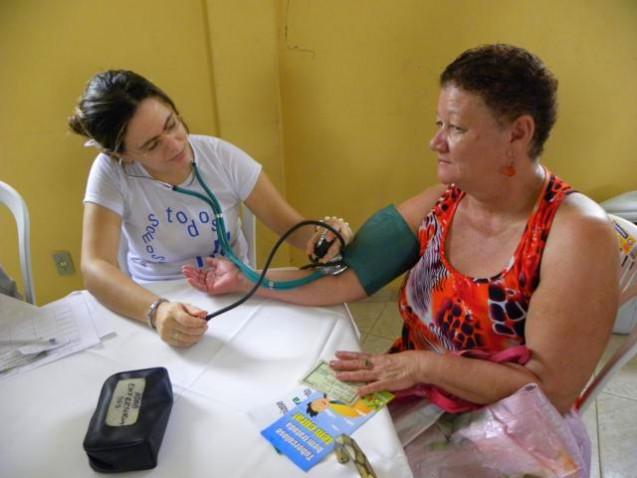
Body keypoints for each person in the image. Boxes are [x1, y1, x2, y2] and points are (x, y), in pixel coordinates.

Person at [184, 44, 618, 475]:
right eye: (438, 124)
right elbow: (345, 277)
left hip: (508, 431)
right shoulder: (442, 203)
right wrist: (246, 278)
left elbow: (548, 394)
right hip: (418, 395)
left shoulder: (576, 236)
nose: (436, 142)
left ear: (518, 134)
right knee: (279, 451)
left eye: (457, 129)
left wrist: (420, 365)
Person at [69, 70, 351, 348]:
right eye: (152, 145)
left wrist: (326, 236)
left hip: (233, 291)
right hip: (156, 297)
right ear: (123, 155)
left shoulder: (220, 157)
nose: (175, 145)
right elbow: (96, 267)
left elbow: (294, 229)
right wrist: (156, 311)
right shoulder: (112, 173)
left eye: (171, 124)